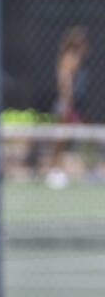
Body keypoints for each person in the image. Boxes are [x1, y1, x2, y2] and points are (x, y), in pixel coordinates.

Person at [46, 25, 92, 188]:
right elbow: (64, 81)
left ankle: (90, 171)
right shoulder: (69, 58)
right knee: (62, 138)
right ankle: (55, 171)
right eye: (83, 41)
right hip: (68, 103)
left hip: (79, 102)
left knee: (88, 136)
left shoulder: (80, 59)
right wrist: (67, 103)